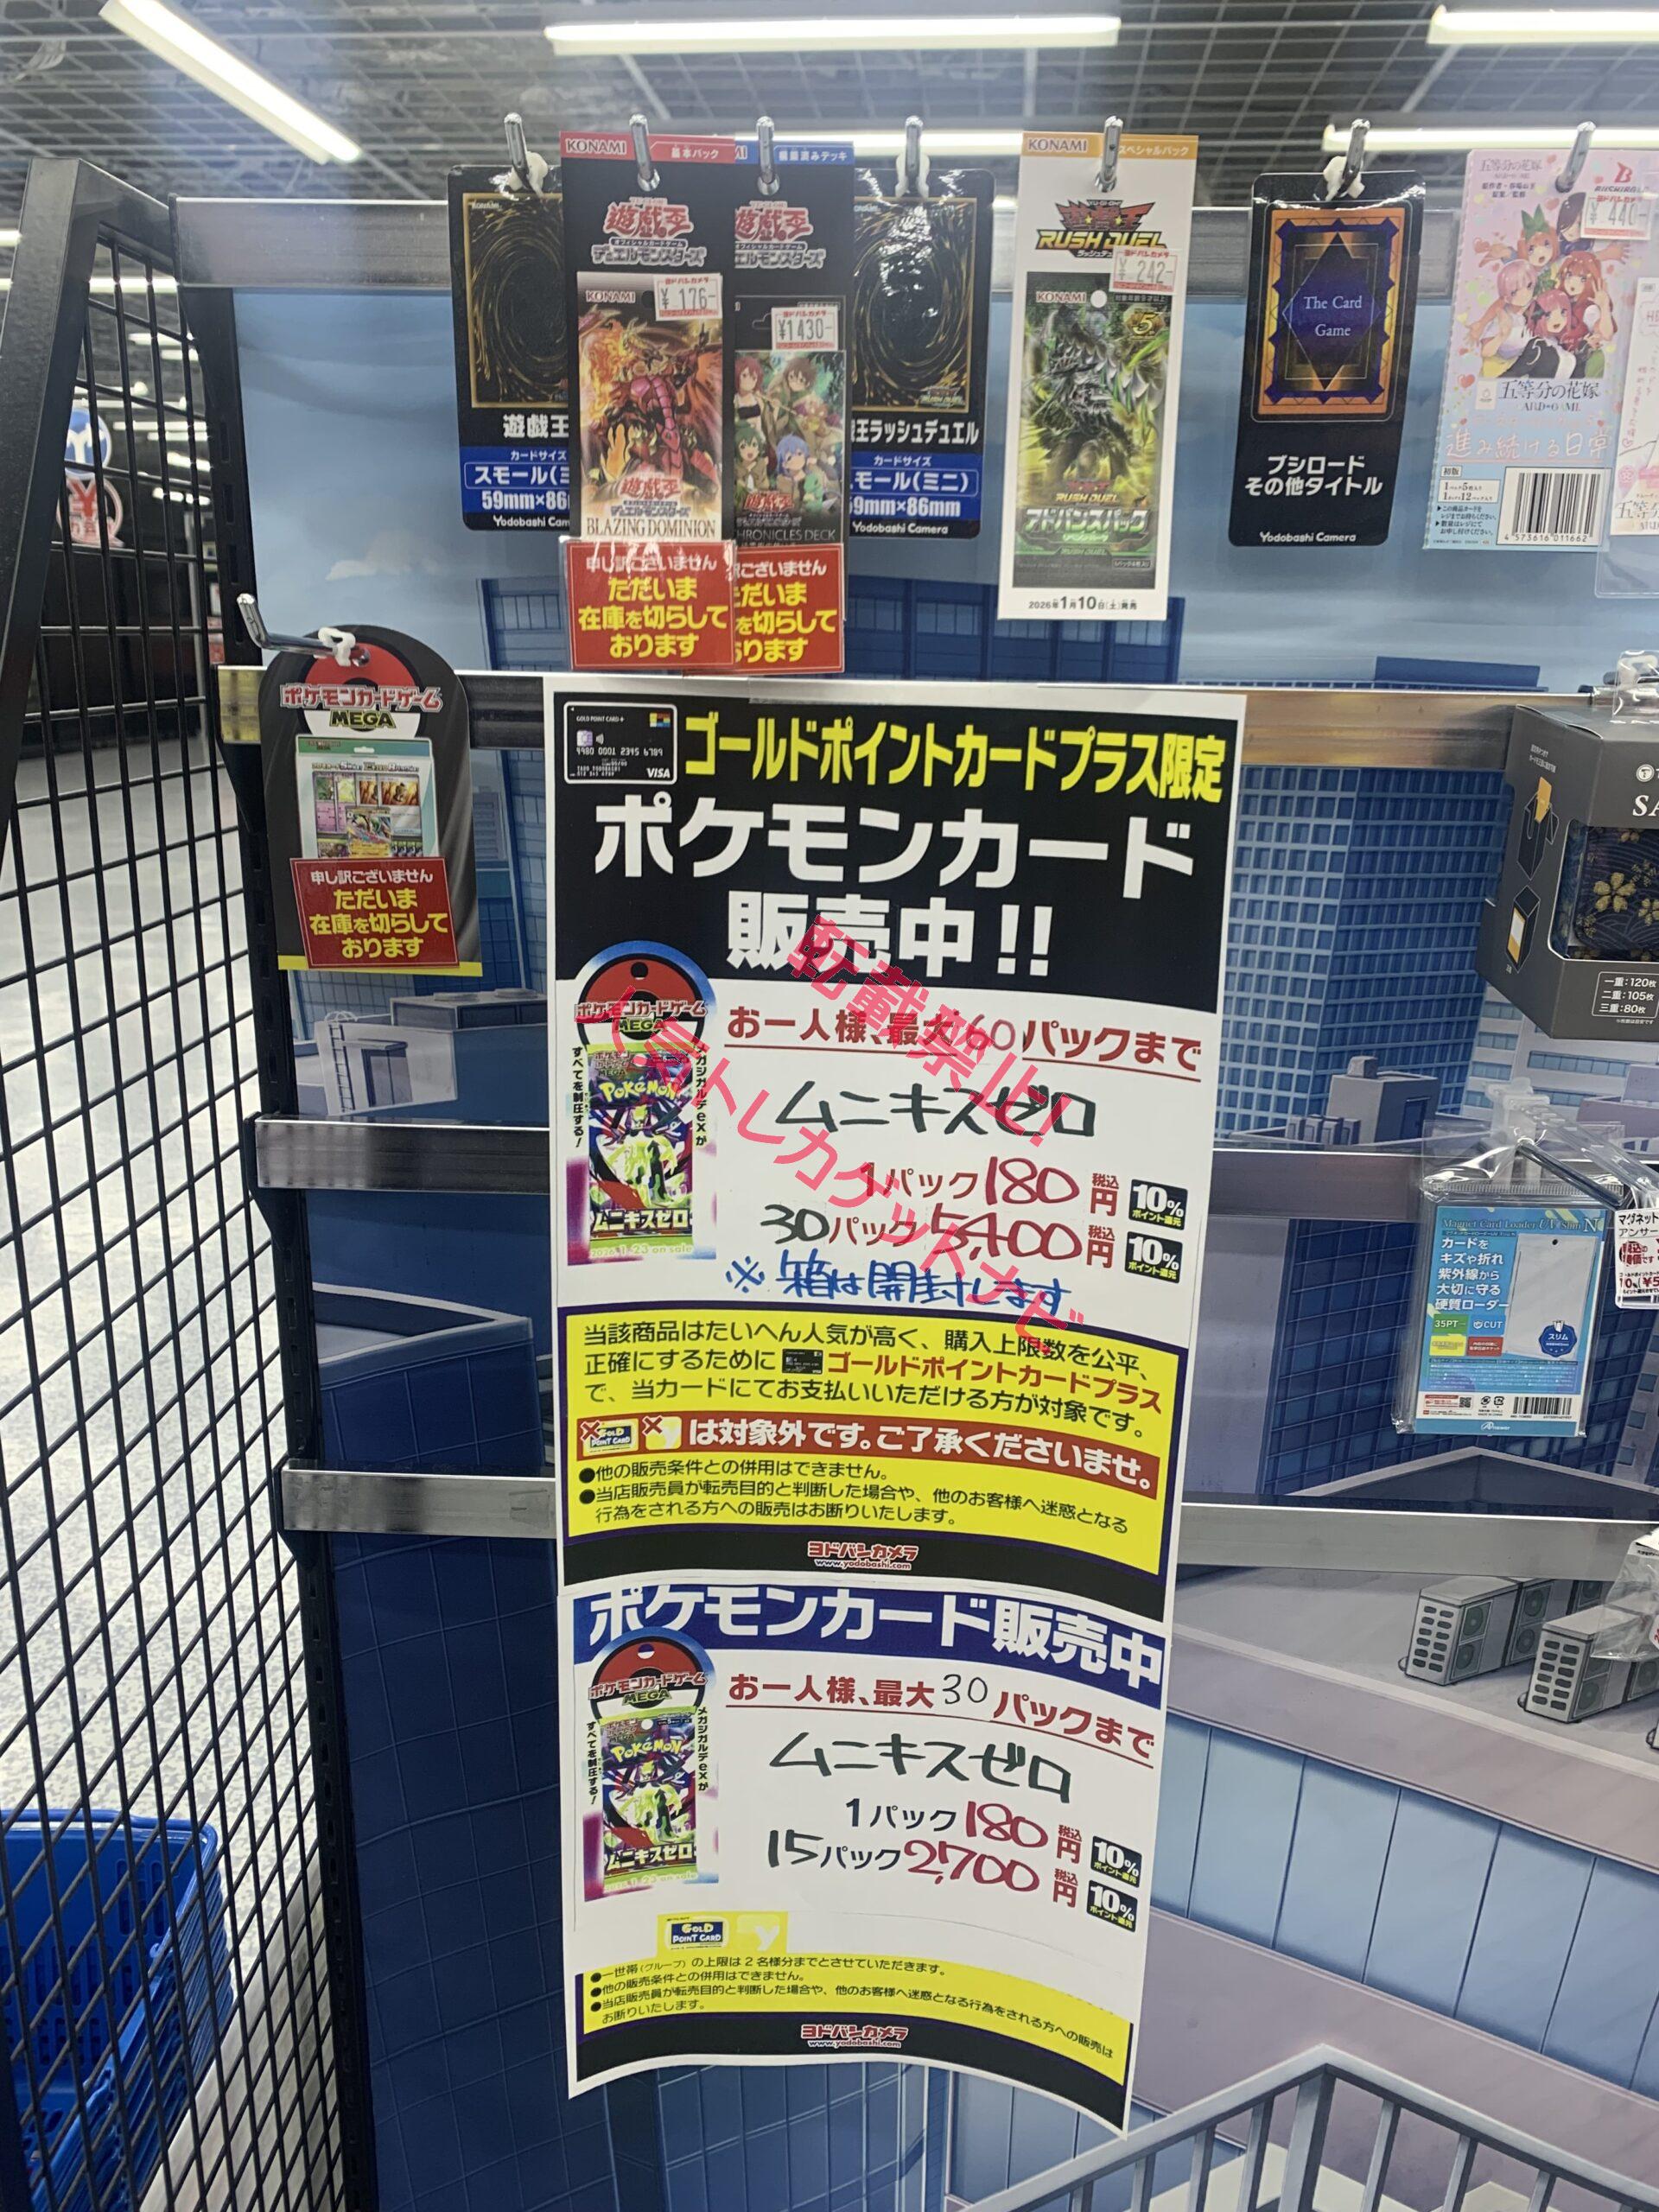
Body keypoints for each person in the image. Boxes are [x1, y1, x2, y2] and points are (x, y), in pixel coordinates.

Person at [1469, 258, 1536, 374]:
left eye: (1529, 286)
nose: (1524, 294)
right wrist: (1502, 336)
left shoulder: (1530, 309)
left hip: (1524, 366)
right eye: (1515, 292)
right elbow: (1486, 352)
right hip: (1500, 369)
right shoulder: (1502, 316)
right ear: (1505, 297)